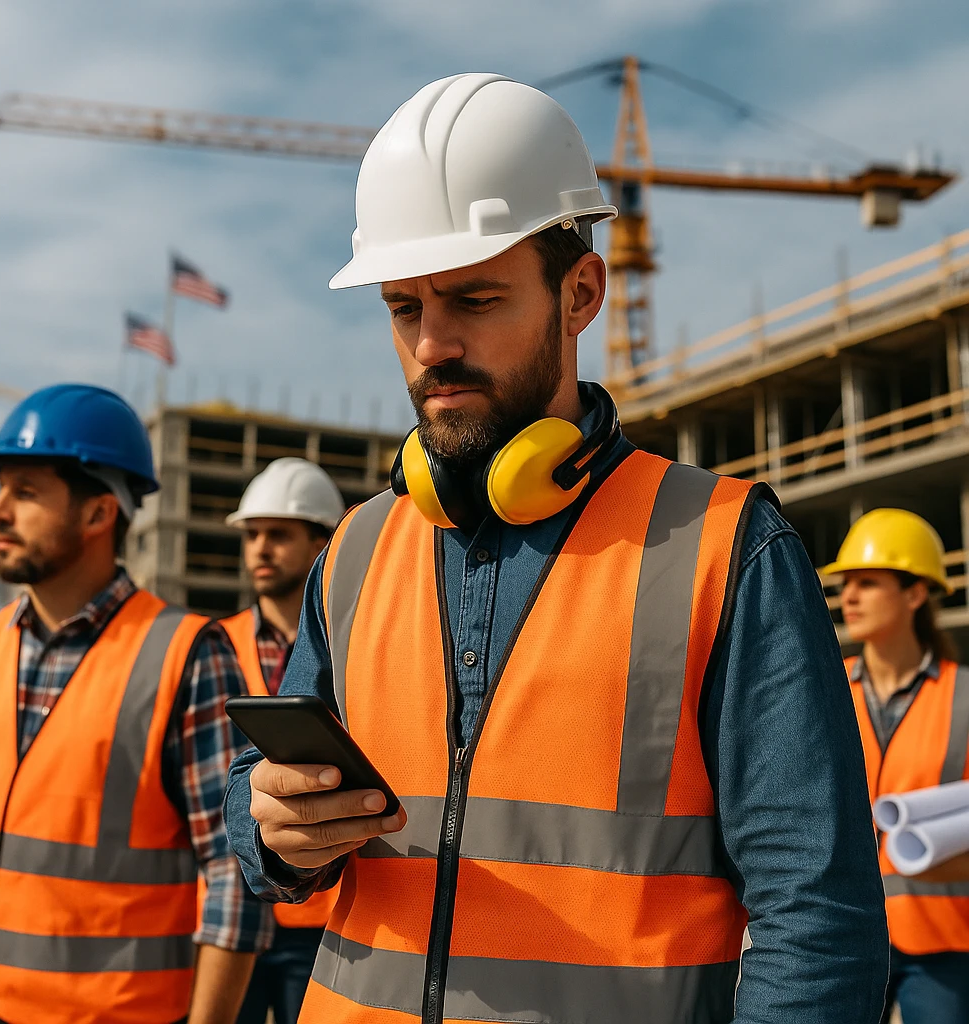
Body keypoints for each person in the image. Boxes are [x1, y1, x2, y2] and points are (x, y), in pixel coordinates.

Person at [224, 74, 889, 1024]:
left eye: (474, 298)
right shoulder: (358, 550)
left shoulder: (725, 548)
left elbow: (817, 920)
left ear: (580, 294)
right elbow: (255, 812)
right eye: (404, 308)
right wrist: (276, 830)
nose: (431, 345)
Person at [0, 384, 272, 1024]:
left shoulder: (185, 654)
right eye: (1, 490)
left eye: (25, 492)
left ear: (98, 514)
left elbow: (234, 872)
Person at [825, 508, 969, 1023]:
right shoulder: (825, 688)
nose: (849, 597)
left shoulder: (964, 696)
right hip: (845, 932)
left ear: (916, 594)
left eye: (868, 582)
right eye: (845, 584)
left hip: (943, 942)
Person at [221, 457, 345, 1024]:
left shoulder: (348, 650)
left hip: (322, 914)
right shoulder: (213, 645)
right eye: (252, 535)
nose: (260, 549)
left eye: (278, 534)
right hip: (229, 910)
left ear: (321, 544)